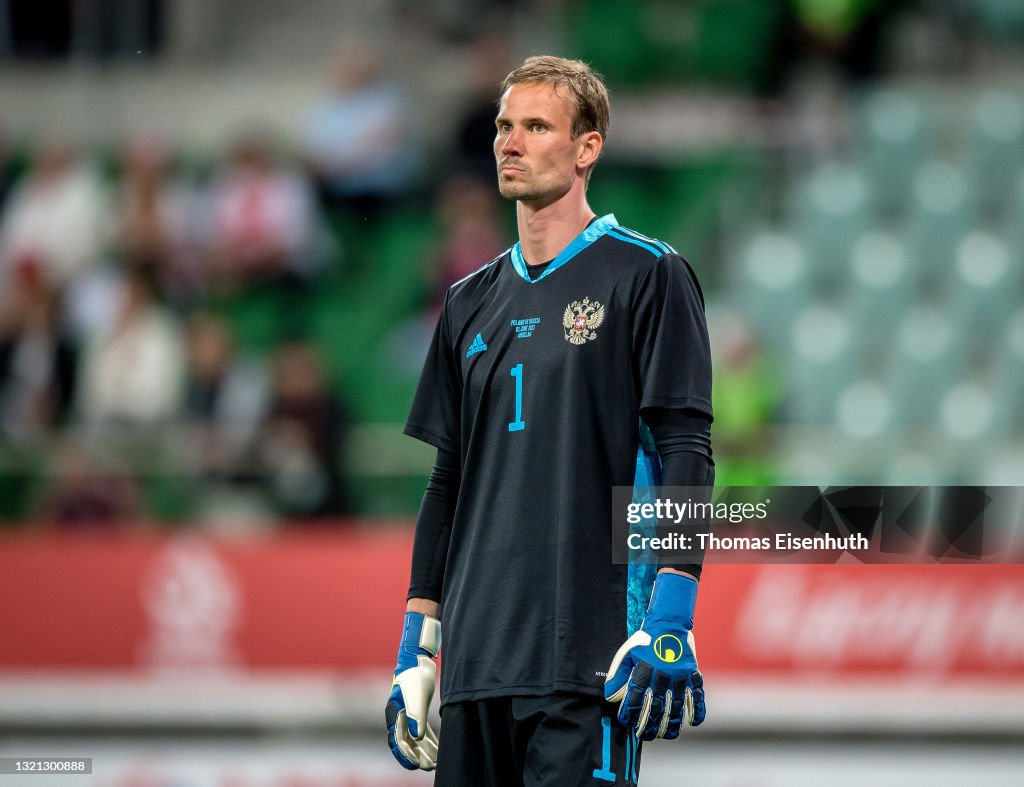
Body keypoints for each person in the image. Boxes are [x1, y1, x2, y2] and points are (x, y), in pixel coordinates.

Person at [386, 56, 714, 785]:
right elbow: (448, 480)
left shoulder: (648, 274)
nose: (510, 141)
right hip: (474, 665)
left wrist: (671, 612)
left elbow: (687, 447)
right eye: (505, 126)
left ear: (586, 147)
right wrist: (418, 645)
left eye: (536, 126)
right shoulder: (467, 301)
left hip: (587, 661)